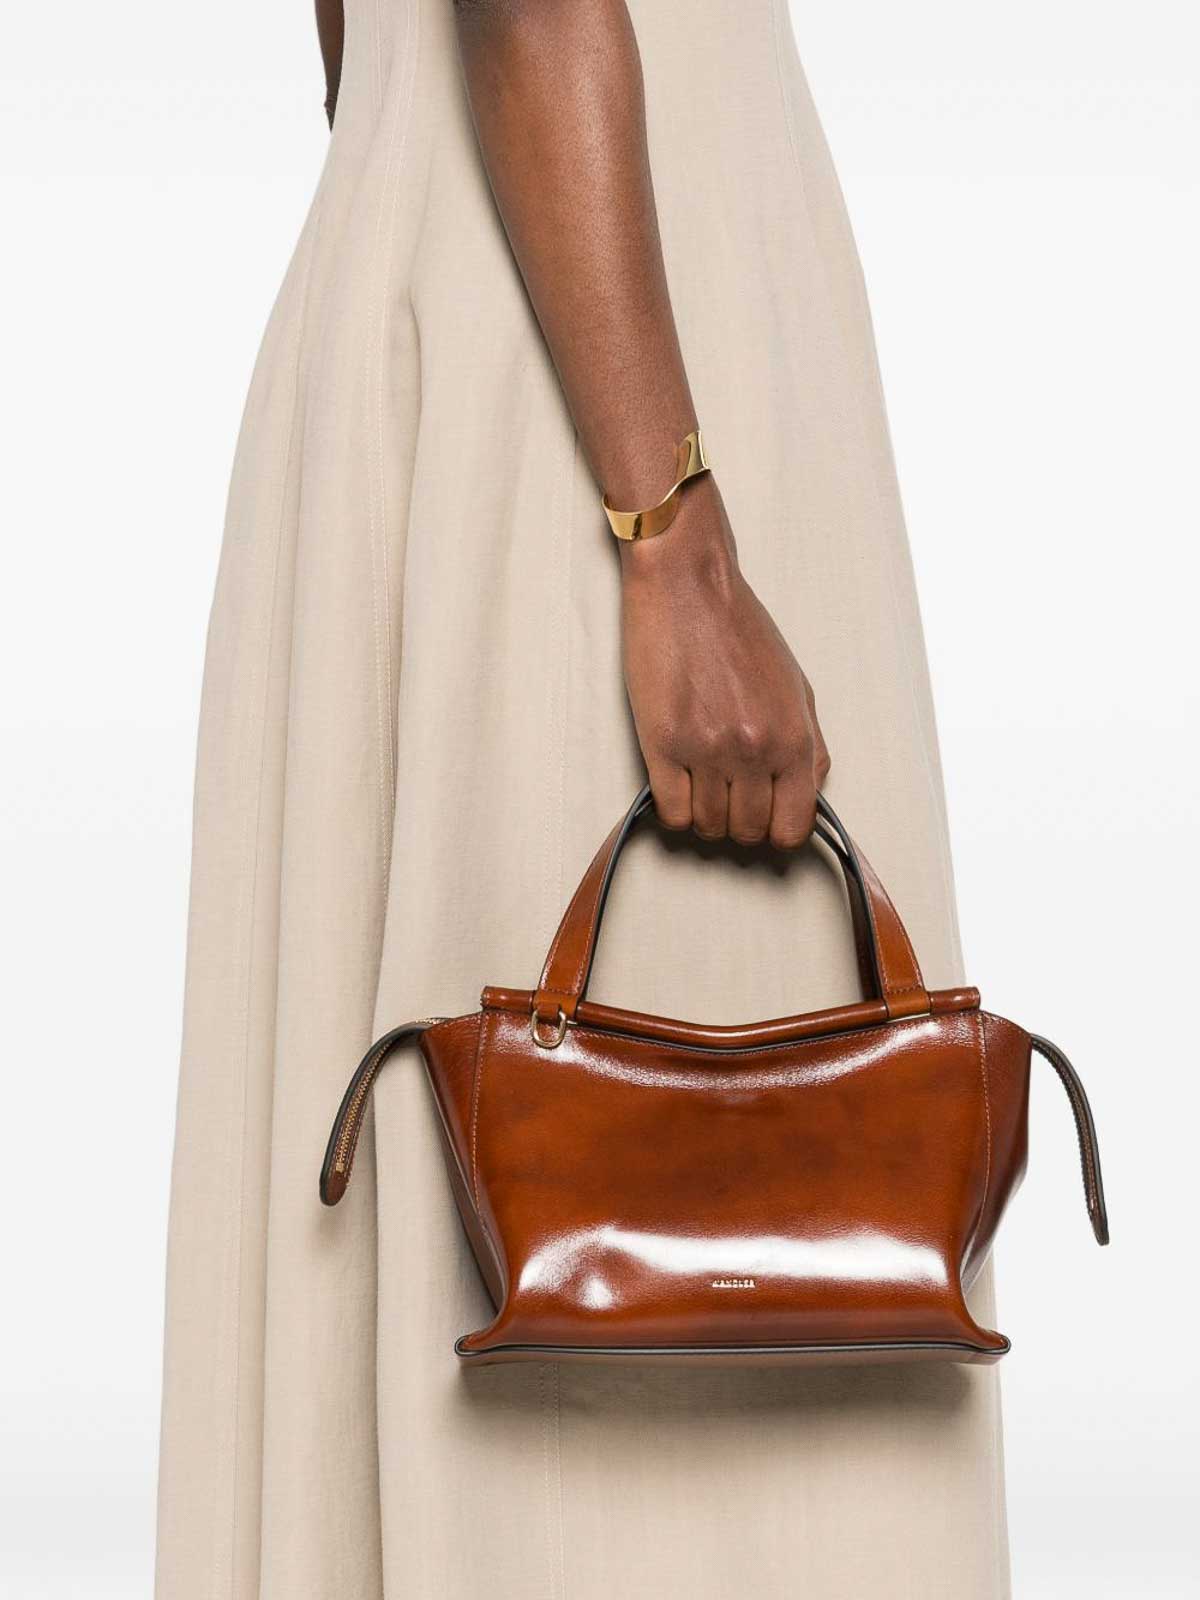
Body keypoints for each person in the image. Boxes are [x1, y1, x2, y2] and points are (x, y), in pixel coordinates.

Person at [156, 2, 1009, 1595]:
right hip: (608, 354)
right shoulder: (654, 500)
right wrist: (673, 541)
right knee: (741, 1216)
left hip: (479, 269)